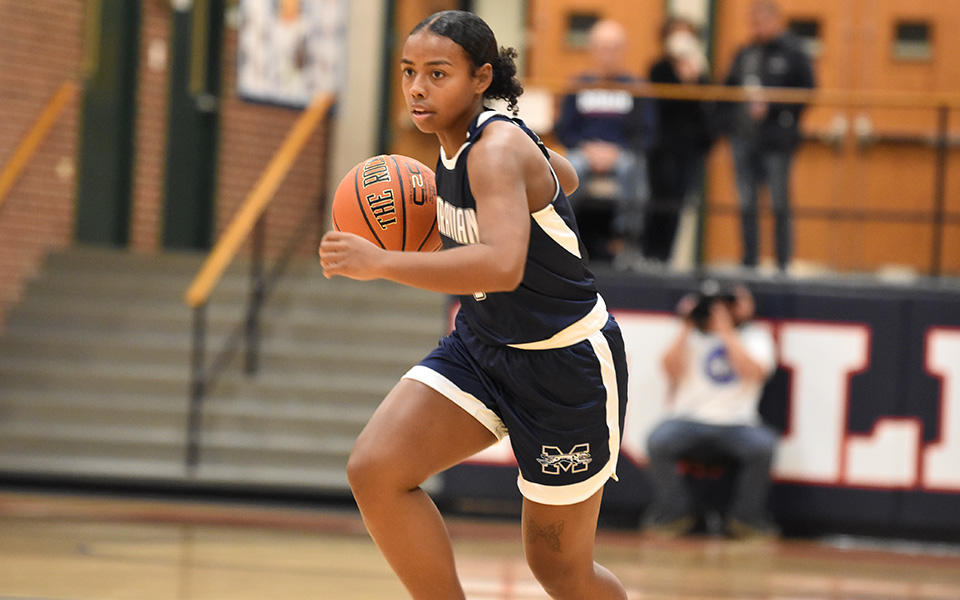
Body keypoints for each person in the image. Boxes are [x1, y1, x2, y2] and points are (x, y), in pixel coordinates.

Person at [319, 11, 629, 600]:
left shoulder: (493, 149)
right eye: (409, 71)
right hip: (483, 344)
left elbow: (502, 266)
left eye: (438, 74)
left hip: (564, 366)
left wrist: (381, 261)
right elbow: (564, 174)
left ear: (481, 77)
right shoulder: (466, 141)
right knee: (376, 471)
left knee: (561, 571)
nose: (417, 87)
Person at [645, 281, 779, 539]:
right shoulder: (689, 334)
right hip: (687, 420)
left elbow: (756, 372)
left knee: (764, 446)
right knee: (658, 441)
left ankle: (746, 519)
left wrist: (726, 331)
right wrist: (686, 324)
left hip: (739, 423)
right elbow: (669, 369)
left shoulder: (755, 336)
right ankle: (674, 514)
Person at [720, 0, 815, 272]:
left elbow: (807, 91)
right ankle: (750, 261)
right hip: (744, 139)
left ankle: (782, 264)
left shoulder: (794, 52)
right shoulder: (746, 52)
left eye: (760, 20)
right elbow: (727, 90)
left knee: (779, 203)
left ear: (775, 20)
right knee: (746, 202)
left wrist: (775, 109)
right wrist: (728, 126)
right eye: (752, 21)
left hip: (777, 141)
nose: (756, 26)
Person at [554, 19, 657, 265]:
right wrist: (587, 148)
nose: (607, 54)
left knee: (633, 166)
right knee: (569, 168)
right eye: (602, 47)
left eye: (613, 48)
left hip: (622, 153)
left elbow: (648, 133)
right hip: (584, 152)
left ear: (623, 51)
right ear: (592, 50)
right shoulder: (578, 86)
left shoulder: (637, 88)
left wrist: (616, 151)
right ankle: (561, 238)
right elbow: (563, 130)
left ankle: (627, 240)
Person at [644, 16, 716, 265]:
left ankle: (666, 257)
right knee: (658, 199)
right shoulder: (658, 68)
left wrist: (694, 81)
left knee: (679, 202)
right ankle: (649, 253)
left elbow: (706, 111)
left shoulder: (701, 72)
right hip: (661, 147)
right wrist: (681, 81)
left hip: (690, 148)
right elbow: (659, 105)